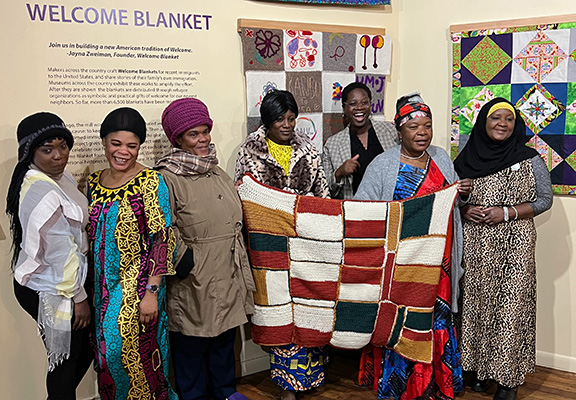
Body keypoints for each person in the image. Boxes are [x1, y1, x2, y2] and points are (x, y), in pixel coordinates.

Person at [354, 93, 471, 399]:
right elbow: (363, 209)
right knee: (403, 324)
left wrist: (463, 193)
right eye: (414, 126)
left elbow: (452, 205)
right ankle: (403, 388)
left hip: (439, 264)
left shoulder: (442, 158)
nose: (422, 132)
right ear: (399, 130)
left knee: (435, 321)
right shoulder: (383, 165)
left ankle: (436, 386)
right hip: (402, 266)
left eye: (428, 125)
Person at [155, 98, 254, 400]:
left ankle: (225, 391)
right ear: (178, 139)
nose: (202, 140)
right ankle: (194, 396)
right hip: (194, 277)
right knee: (192, 343)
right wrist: (184, 260)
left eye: (205, 132)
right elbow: (162, 227)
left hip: (227, 270)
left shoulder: (216, 171)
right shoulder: (166, 177)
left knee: (224, 338)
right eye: (193, 135)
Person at [454, 98, 552, 400]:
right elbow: (450, 195)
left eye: (508, 119)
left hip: (515, 243)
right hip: (475, 243)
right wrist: (463, 209)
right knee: (477, 306)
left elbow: (544, 200)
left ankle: (508, 380)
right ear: (483, 121)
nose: (502, 124)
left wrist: (506, 212)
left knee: (511, 308)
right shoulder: (465, 158)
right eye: (495, 118)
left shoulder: (530, 158)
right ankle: (482, 371)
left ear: (516, 125)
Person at [234, 89, 329, 400]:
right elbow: (243, 198)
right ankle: (287, 385)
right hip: (268, 248)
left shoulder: (310, 152)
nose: (286, 125)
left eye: (290, 118)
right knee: (278, 314)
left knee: (307, 309)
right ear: (267, 121)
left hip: (306, 245)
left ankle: (310, 377)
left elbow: (324, 196)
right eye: (279, 120)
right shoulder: (249, 152)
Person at [87, 107, 177, 399]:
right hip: (102, 290)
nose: (123, 152)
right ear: (104, 142)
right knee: (105, 360)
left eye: (132, 145)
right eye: (116, 143)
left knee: (136, 358)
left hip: (138, 288)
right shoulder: (93, 183)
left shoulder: (151, 182)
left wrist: (152, 292)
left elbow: (162, 239)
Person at [6, 112, 93, 400]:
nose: (59, 156)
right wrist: (78, 299)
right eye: (47, 149)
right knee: (64, 364)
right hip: (52, 286)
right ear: (30, 152)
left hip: (61, 279)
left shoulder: (57, 176)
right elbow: (60, 252)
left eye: (63, 146)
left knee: (76, 355)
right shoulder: (40, 189)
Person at [322, 81, 399, 199]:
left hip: (390, 205)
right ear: (344, 108)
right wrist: (339, 174)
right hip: (355, 210)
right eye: (353, 103)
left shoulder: (391, 131)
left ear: (370, 104)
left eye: (364, 103)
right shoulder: (332, 145)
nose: (359, 107)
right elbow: (326, 192)